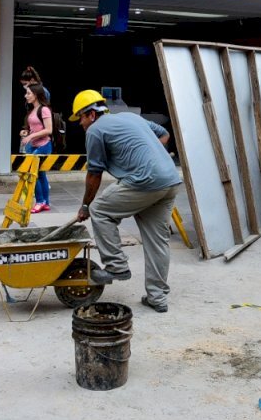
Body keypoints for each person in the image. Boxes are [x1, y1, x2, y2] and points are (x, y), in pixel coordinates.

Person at [71, 89, 181, 313]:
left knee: (100, 211)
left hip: (146, 181)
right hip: (169, 180)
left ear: (92, 114)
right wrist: (151, 157)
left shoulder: (95, 131)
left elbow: (94, 173)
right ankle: (157, 298)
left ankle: (117, 266)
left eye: (81, 118)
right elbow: (164, 134)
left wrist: (85, 206)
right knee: (157, 241)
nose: (80, 124)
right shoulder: (130, 117)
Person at [20, 83, 53, 214]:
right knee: (41, 174)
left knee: (32, 173)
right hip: (34, 145)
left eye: (28, 93)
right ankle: (46, 203)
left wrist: (31, 136)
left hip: (44, 145)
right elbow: (34, 129)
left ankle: (40, 201)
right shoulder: (33, 110)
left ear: (36, 94)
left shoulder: (44, 110)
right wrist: (26, 133)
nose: (26, 96)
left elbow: (48, 130)